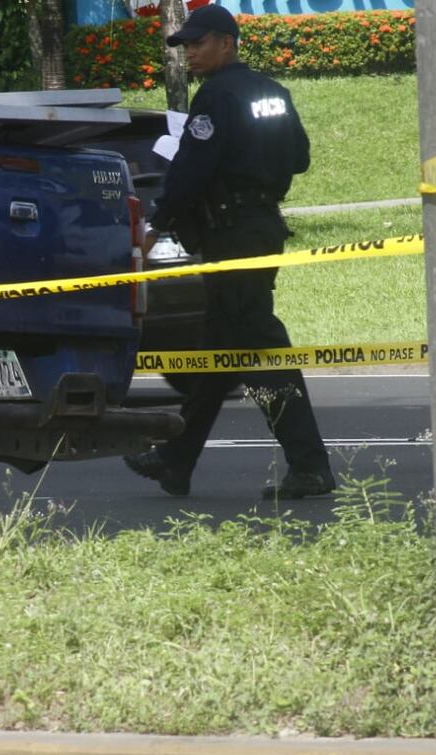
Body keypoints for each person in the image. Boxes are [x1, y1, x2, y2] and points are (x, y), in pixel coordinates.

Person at [124, 4, 335, 500]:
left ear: (227, 42)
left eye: (198, 44)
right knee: (220, 350)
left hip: (233, 233)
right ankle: (176, 459)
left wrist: (158, 225)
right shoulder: (272, 93)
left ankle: (310, 465)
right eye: (187, 46)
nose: (191, 53)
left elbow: (191, 172)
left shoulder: (215, 96)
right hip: (260, 225)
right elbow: (299, 158)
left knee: (258, 348)